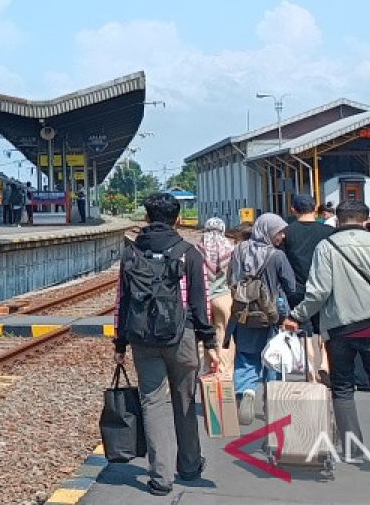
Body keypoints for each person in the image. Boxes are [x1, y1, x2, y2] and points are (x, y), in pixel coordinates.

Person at [283, 199, 370, 468]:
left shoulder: (327, 247)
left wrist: (296, 316)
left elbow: (318, 292)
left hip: (339, 329)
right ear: (365, 219)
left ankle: (353, 448)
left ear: (338, 219)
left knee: (343, 388)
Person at [113, 192, 219, 496]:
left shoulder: (131, 253)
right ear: (176, 218)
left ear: (146, 218)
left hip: (142, 338)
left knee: (153, 402)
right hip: (182, 336)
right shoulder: (189, 252)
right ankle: (188, 466)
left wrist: (119, 342)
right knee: (185, 400)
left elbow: (122, 301)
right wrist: (209, 341)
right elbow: (201, 302)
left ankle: (160, 477)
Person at [228, 213, 296, 425]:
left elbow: (231, 279)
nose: (282, 236)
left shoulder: (238, 250)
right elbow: (290, 285)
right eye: (279, 232)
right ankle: (272, 404)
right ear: (268, 232)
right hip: (272, 316)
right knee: (273, 359)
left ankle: (247, 392)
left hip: (244, 314)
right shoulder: (277, 256)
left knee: (247, 357)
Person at [282, 194, 335, 322]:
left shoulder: (286, 232)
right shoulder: (330, 231)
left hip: (296, 290)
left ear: (293, 209)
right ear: (316, 208)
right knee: (323, 330)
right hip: (324, 288)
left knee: (299, 330)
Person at [198, 217, 235, 376]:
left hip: (203, 298)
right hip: (224, 297)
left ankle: (207, 369)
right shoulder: (230, 248)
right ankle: (224, 371)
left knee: (206, 335)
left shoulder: (198, 248)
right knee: (224, 336)